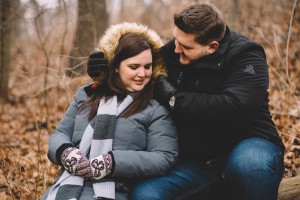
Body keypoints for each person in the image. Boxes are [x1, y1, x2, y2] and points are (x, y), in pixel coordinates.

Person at [88, 3, 286, 200]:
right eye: (175, 40)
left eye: (186, 47)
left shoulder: (246, 55)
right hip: (196, 164)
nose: (175, 49)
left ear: (212, 47)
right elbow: (136, 70)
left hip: (250, 146)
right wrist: (104, 69)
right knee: (146, 194)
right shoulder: (175, 51)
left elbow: (234, 107)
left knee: (248, 164)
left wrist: (173, 98)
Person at [41, 22, 178, 200]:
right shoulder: (88, 95)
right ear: (115, 66)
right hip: (67, 186)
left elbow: (164, 157)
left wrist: (112, 162)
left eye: (147, 66)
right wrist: (65, 152)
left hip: (113, 190)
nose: (142, 74)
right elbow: (60, 133)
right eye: (134, 67)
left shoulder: (155, 108)